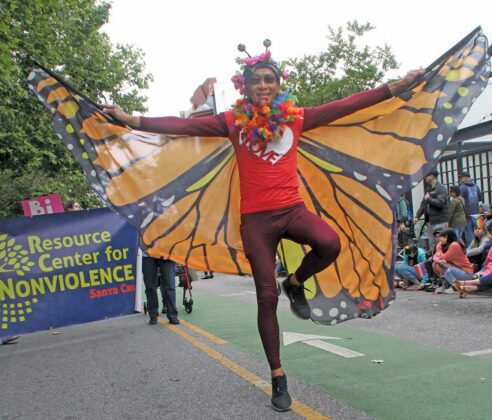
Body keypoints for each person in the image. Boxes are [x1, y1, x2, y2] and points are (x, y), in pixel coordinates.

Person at [103, 42, 423, 412]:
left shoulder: (296, 118)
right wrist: (134, 120)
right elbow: (183, 126)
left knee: (330, 243)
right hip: (256, 221)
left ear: (278, 84)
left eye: (270, 80)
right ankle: (277, 375)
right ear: (246, 86)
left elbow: (345, 105)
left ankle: (297, 282)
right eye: (257, 81)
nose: (264, 86)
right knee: (266, 298)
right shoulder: (231, 122)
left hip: (292, 210)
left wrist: (395, 87)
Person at [453, 223, 492, 297]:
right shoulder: (475, 239)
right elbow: (468, 250)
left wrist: (465, 254)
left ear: (484, 230)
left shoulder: (486, 239)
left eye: (479, 229)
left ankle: (465, 283)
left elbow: (479, 250)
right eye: (475, 229)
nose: (477, 230)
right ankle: (468, 288)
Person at [414, 169, 449, 250]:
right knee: (432, 245)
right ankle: (434, 261)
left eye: (427, 175)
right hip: (430, 222)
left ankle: (442, 261)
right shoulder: (428, 188)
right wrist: (417, 216)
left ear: (432, 176)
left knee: (441, 244)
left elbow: (441, 203)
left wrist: (429, 199)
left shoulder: (441, 188)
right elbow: (423, 204)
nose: (425, 178)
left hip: (440, 221)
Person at [142, 252, 180, 325]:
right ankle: (153, 315)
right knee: (150, 287)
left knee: (170, 285)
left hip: (167, 252)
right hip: (147, 253)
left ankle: (172, 315)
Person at [432, 228, 474, 294]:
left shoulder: (455, 245)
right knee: (435, 264)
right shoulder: (447, 244)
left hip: (466, 273)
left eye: (441, 237)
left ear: (446, 237)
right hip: (457, 269)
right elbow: (434, 256)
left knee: (449, 270)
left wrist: (439, 248)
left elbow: (444, 257)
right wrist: (438, 260)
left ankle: (454, 287)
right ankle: (446, 284)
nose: (439, 240)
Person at [458, 171, 483, 245]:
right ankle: (481, 248)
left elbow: (459, 201)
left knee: (469, 233)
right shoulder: (476, 186)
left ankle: (472, 250)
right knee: (479, 231)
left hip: (467, 215)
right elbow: (480, 199)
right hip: (477, 214)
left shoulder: (462, 187)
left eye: (461, 178)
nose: (460, 180)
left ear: (465, 178)